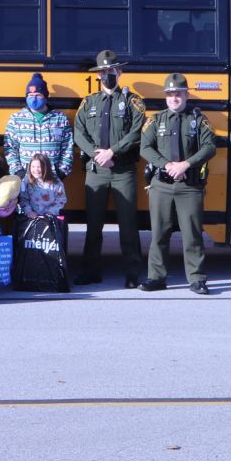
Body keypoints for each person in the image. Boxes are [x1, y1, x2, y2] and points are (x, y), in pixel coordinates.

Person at [73, 49, 147, 287]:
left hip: (122, 170)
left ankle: (133, 272)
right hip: (96, 171)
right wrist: (98, 156)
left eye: (112, 71)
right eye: (103, 72)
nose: (107, 75)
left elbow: (136, 132)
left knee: (128, 225)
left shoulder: (133, 102)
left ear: (120, 72)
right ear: (97, 75)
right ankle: (90, 270)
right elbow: (78, 133)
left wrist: (112, 152)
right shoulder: (88, 103)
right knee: (93, 224)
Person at [139, 73, 217, 295]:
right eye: (171, 94)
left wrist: (185, 164)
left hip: (189, 187)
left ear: (186, 95)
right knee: (159, 233)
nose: (174, 98)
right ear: (166, 96)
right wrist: (167, 165)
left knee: (192, 234)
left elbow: (209, 147)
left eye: (179, 94)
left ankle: (197, 278)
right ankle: (156, 277)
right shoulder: (156, 120)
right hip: (161, 186)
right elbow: (145, 147)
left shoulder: (199, 120)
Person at [4, 73, 74, 179]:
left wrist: (62, 172)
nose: (34, 98)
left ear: (45, 97)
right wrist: (18, 172)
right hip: (26, 178)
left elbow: (68, 146)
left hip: (53, 178)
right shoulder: (16, 119)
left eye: (37, 95)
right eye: (30, 96)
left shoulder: (60, 118)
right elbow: (10, 148)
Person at [19, 153, 67, 218]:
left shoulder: (56, 182)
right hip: (31, 217)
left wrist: (51, 212)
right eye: (33, 167)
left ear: (46, 167)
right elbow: (23, 199)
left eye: (39, 167)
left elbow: (61, 199)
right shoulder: (26, 181)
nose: (36, 170)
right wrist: (29, 212)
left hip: (51, 216)